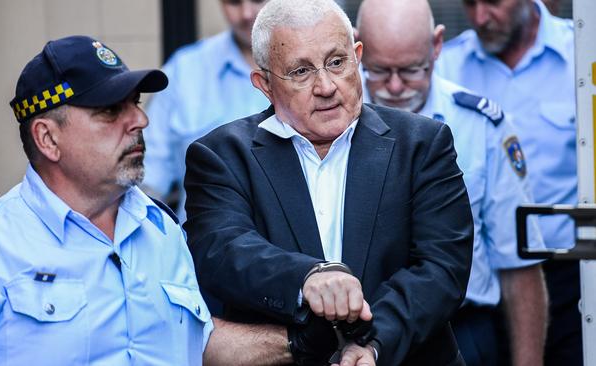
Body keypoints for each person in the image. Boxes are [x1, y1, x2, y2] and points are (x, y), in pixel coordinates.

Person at [0, 35, 319, 366]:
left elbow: (196, 345)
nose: (140, 119)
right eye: (110, 110)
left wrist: (306, 342)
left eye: (135, 102)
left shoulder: (161, 230)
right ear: (48, 138)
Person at [183, 0, 475, 364]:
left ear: (358, 57)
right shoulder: (222, 156)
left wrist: (373, 343)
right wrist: (306, 279)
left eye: (337, 63)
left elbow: (441, 267)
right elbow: (223, 250)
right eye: (301, 71)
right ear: (265, 84)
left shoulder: (421, 144)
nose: (325, 86)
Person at [356, 1, 548, 365]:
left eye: (412, 69)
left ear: (437, 45)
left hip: (463, 332)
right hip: (359, 335)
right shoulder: (331, 122)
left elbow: (517, 262)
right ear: (357, 48)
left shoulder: (480, 126)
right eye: (379, 70)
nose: (395, 86)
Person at [436, 0, 580, 364]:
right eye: (470, 4)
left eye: (493, 3)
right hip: (484, 284)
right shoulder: (448, 66)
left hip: (571, 275)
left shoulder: (581, 54)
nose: (481, 17)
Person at [143, 0, 270, 222]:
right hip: (202, 250)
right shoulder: (185, 70)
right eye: (234, 2)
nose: (247, 14)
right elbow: (148, 184)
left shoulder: (324, 69)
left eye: (258, 0)